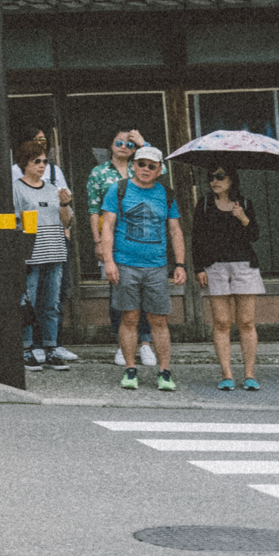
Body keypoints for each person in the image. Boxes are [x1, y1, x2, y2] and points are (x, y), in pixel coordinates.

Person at [99, 143, 186, 391]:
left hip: (157, 266)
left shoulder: (166, 194)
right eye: (141, 164)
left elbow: (175, 229)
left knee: (159, 320)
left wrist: (179, 264)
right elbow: (107, 226)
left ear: (159, 170)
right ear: (133, 165)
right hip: (125, 263)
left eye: (151, 166)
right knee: (129, 318)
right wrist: (109, 261)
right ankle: (130, 368)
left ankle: (165, 371)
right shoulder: (119, 190)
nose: (145, 169)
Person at [87, 127, 156, 369]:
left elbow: (163, 168)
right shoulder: (99, 173)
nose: (124, 146)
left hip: (143, 237)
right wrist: (97, 241)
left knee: (145, 290)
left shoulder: (143, 166)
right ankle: (122, 343)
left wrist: (143, 143)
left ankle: (145, 343)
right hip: (112, 239)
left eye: (129, 144)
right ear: (110, 144)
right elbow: (93, 209)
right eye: (120, 141)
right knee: (118, 291)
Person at [194, 166, 262, 391]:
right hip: (215, 266)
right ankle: (226, 374)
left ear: (232, 179)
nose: (215, 181)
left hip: (244, 265)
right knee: (221, 322)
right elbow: (197, 238)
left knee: (246, 322)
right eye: (211, 177)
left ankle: (249, 374)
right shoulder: (204, 204)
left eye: (220, 176)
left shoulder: (245, 203)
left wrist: (243, 217)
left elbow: (254, 235)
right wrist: (199, 268)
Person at [12, 141, 73, 370]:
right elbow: (13, 222)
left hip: (55, 251)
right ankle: (26, 348)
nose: (41, 165)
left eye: (45, 161)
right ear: (24, 164)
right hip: (30, 254)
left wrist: (65, 204)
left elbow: (67, 221)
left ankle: (51, 347)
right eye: (36, 161)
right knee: (28, 303)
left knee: (51, 304)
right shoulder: (16, 188)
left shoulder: (52, 188)